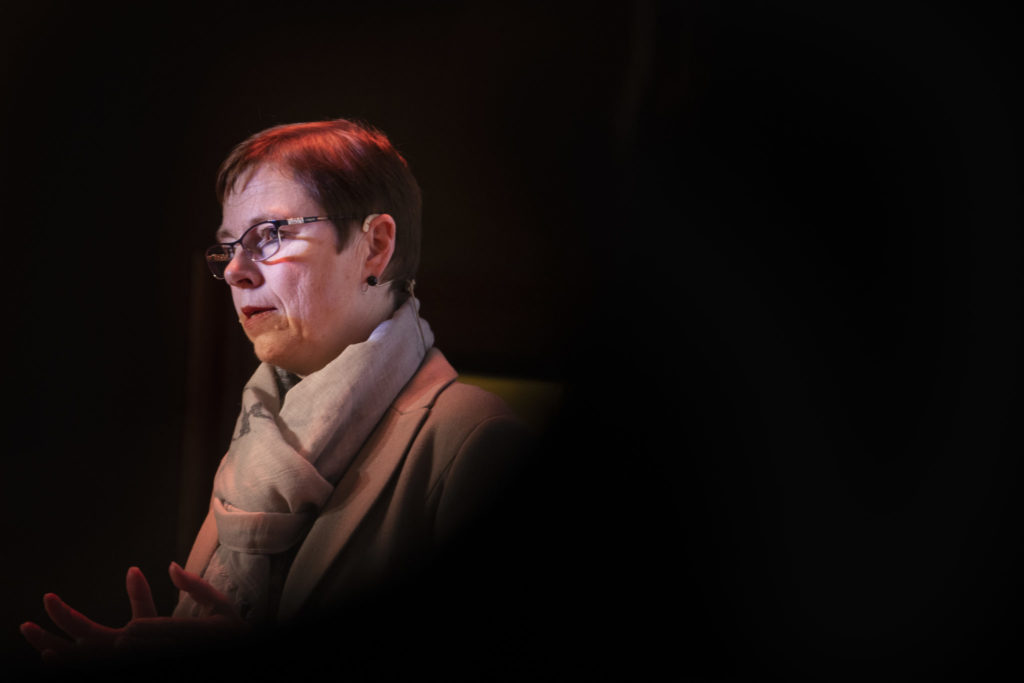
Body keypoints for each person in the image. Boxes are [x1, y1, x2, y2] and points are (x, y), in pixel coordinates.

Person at [20, 118, 532, 664]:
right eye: (229, 247)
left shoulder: (475, 439)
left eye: (271, 235)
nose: (235, 272)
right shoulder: (262, 436)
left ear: (375, 246)